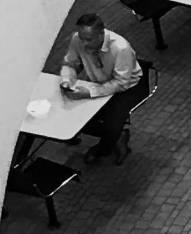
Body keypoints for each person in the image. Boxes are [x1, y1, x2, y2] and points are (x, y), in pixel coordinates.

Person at [58, 12, 142, 161]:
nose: (83, 44)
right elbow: (70, 63)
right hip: (97, 83)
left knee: (111, 127)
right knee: (71, 115)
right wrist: (66, 80)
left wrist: (89, 92)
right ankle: (117, 136)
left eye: (88, 39)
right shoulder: (77, 39)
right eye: (81, 38)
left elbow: (121, 83)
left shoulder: (121, 48)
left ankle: (105, 147)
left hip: (127, 87)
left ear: (101, 33)